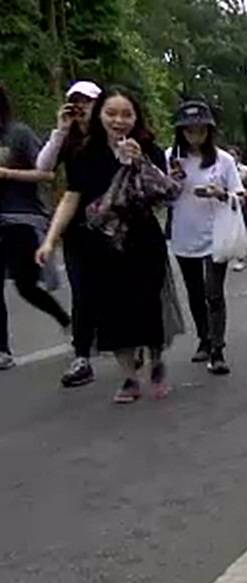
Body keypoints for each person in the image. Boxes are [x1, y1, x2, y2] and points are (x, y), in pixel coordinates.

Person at [36, 86, 176, 403]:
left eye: (126, 114)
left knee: (147, 305)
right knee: (112, 311)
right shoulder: (85, 153)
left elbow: (165, 193)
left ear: (136, 117)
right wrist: (49, 240)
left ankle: (156, 362)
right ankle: (129, 378)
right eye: (111, 113)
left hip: (143, 240)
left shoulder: (149, 148)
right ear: (99, 116)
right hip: (101, 243)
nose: (119, 120)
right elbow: (71, 198)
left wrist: (141, 163)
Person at [165, 100, 243, 375]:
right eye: (189, 131)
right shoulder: (170, 158)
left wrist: (220, 193)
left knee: (214, 293)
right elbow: (161, 195)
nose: (195, 136)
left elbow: (240, 193)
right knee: (195, 292)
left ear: (209, 131)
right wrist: (172, 181)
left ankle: (218, 350)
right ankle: (204, 338)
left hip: (215, 233)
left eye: (200, 130)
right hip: (184, 233)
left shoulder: (224, 160)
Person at [0, 84, 72, 371]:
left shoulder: (17, 134)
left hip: (20, 217)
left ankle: (65, 321)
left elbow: (46, 172)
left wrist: (7, 173)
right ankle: (2, 349)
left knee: (25, 285)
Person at [35, 80, 102, 386]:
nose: (81, 107)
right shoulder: (69, 141)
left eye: (86, 101)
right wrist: (60, 129)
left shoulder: (111, 135)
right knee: (82, 291)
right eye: (75, 102)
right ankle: (82, 356)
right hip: (77, 226)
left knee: (114, 288)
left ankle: (130, 342)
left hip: (113, 224)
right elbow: (44, 167)